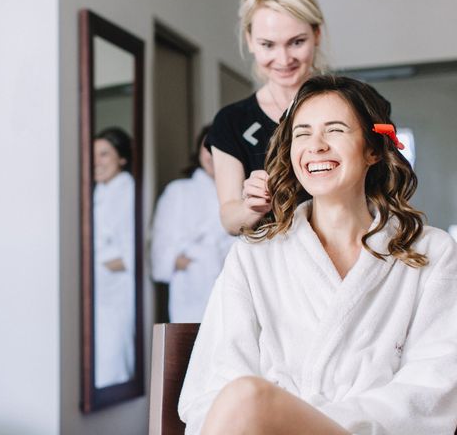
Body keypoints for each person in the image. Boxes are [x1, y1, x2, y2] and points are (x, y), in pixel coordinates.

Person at [179, 75, 457, 434]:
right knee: (242, 396)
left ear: (373, 149)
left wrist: (310, 423)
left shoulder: (432, 253)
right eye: (302, 133)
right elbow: (212, 386)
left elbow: (433, 387)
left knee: (248, 397)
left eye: (335, 130)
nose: (316, 145)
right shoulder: (254, 257)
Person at [206, 0, 326, 235]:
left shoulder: (353, 108)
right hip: (273, 267)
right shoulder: (232, 122)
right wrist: (251, 207)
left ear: (316, 34)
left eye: (297, 42)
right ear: (250, 41)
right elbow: (229, 218)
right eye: (268, 45)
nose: (283, 59)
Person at [151, 125, 234, 323]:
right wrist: (187, 263)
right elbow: (160, 248)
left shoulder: (245, 191)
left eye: (221, 147)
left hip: (231, 284)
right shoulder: (178, 191)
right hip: (191, 288)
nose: (213, 154)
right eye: (208, 147)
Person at [92, 127, 135, 388]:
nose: (96, 161)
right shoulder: (97, 192)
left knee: (113, 359)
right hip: (95, 294)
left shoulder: (126, 190)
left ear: (122, 158)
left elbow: (130, 251)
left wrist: (94, 266)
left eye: (104, 154)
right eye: (93, 154)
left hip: (115, 292)